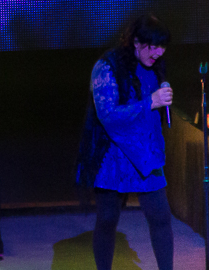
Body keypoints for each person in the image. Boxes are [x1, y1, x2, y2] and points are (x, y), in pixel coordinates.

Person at [75, 14, 174, 270]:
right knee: (108, 219)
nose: (159, 52)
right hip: (113, 154)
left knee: (161, 217)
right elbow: (107, 115)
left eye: (163, 46)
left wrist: (160, 102)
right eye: (154, 46)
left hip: (145, 153)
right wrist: (150, 102)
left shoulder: (154, 66)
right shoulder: (107, 67)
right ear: (137, 42)